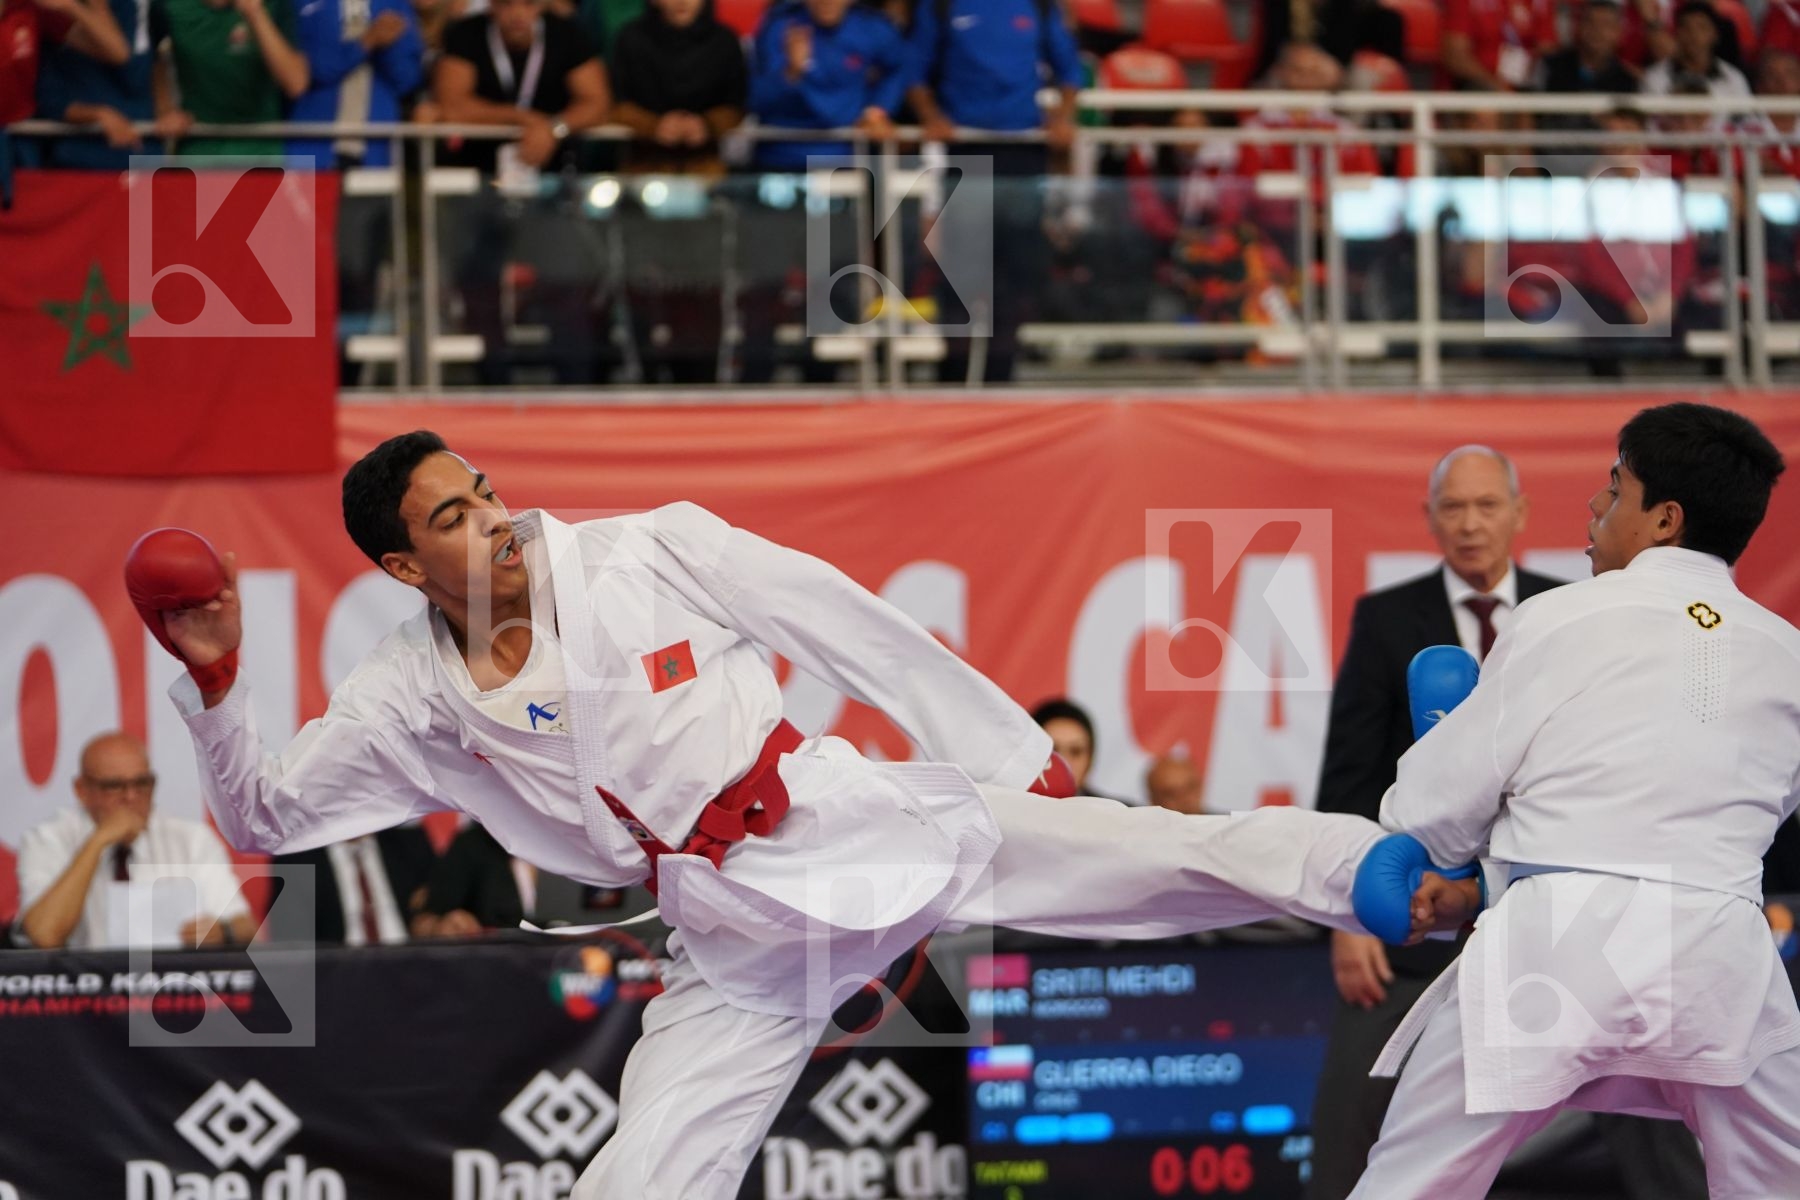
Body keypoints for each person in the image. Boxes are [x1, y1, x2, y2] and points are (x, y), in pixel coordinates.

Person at [150, 429, 1403, 1200]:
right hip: (730, 942)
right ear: (404, 569)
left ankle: (1386, 872)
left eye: (483, 490)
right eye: (453, 518)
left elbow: (838, 617)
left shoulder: (645, 552)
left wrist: (1007, 754)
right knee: (643, 1177)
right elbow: (267, 813)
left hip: (839, 823)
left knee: (1152, 863)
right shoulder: (406, 698)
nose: (495, 519)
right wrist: (216, 686)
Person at [1349, 403, 1798, 1199]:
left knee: (1410, 1184)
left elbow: (1431, 809)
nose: (1594, 508)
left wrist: (1445, 805)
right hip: (1721, 955)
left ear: (1663, 519)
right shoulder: (1786, 652)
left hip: (1557, 947)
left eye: (1614, 488)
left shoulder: (1558, 617)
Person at [1308, 445, 1565, 1200]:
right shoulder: (1387, 620)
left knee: (1654, 1116)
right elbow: (1350, 775)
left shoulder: (1565, 614)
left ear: (1519, 513)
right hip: (1413, 914)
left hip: (1547, 914)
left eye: (1488, 505)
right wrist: (1347, 914)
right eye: (1453, 507)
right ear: (1429, 520)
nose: (1471, 524)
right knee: (1349, 1124)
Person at [905, 0, 1083, 384]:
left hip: (1022, 155)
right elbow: (913, 71)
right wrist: (931, 116)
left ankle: (1002, 378)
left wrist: (1063, 116)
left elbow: (1070, 69)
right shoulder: (939, 6)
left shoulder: (1038, 6)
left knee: (1014, 279)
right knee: (957, 278)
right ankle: (952, 379)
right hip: (964, 150)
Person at [14, 733, 254, 950]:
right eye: (114, 786)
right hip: (85, 992)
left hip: (173, 987)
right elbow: (43, 935)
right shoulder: (48, 839)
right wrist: (98, 841)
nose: (131, 797)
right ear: (81, 790)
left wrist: (223, 932)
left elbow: (247, 928)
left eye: (142, 784)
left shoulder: (190, 839)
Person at [745, 0, 909, 171]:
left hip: (845, 154)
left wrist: (877, 110)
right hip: (782, 154)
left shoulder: (871, 28)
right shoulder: (780, 28)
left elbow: (898, 67)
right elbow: (757, 100)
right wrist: (792, 72)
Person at [150, 0, 310, 157]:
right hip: (198, 146)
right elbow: (154, 58)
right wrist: (165, 109)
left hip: (261, 149)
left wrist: (255, 14)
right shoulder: (167, 6)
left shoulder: (275, 5)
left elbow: (296, 83)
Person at [608, 0, 745, 174]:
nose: (682, 2)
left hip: (706, 171)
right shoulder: (630, 38)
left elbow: (737, 105)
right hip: (643, 169)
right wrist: (653, 126)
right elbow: (615, 103)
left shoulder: (725, 41)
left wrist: (707, 125)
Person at [36, 0, 178, 168]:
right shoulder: (49, 11)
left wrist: (166, 109)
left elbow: (154, 57)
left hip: (144, 149)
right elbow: (48, 98)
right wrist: (97, 114)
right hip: (76, 156)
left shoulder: (146, 8)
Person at [290, 0, 424, 168]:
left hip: (374, 150)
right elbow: (313, 69)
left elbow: (407, 79)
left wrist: (388, 47)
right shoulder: (304, 4)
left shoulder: (395, 4)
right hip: (312, 146)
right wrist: (367, 42)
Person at [266, 826, 435, 945]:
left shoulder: (409, 843)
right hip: (339, 979)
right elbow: (288, 939)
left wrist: (433, 921)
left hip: (411, 971)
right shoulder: (295, 859)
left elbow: (439, 908)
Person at [1639, 0, 1749, 98]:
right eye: (1686, 27)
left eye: (1701, 27)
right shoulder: (1655, 78)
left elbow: (1745, 119)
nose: (1693, 35)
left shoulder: (1732, 79)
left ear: (1715, 34)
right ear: (1676, 33)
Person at [1029, 696, 1097, 795]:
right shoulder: (1006, 809)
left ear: (1090, 758)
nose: (1065, 762)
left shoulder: (1120, 809)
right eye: (1053, 751)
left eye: (1075, 751)